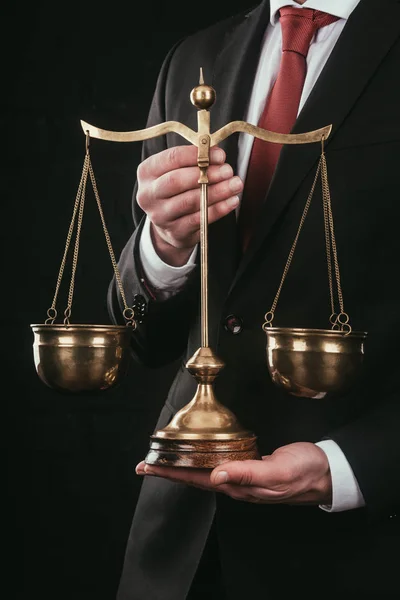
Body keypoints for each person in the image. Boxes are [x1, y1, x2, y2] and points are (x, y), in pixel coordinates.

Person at [107, 0, 400, 598]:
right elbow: (147, 337)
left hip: (362, 547)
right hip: (179, 541)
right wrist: (164, 245)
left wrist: (348, 467)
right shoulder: (195, 56)